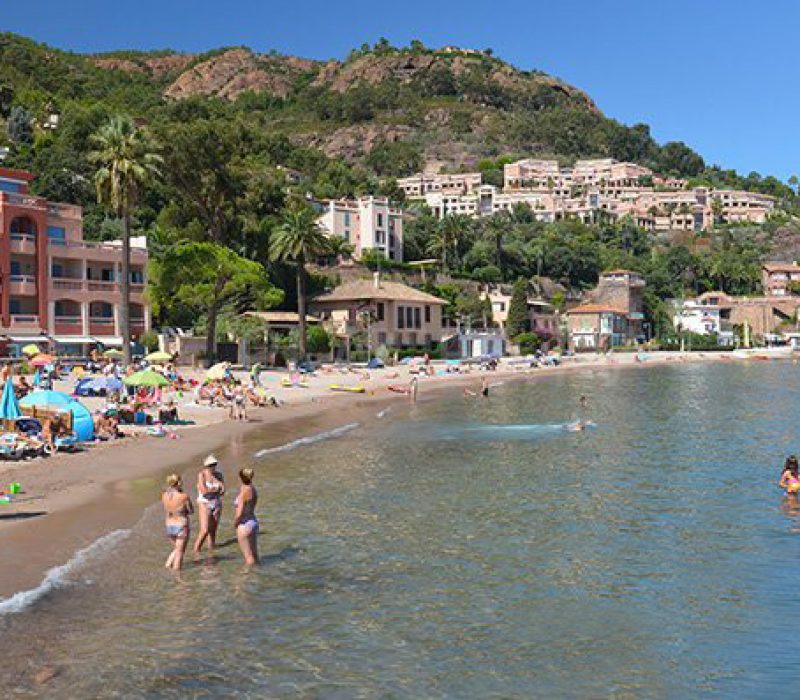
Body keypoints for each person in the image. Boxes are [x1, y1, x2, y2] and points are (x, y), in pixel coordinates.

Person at [194, 454, 225, 555]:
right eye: (211, 465)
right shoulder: (201, 475)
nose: (213, 466)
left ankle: (211, 550)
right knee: (204, 530)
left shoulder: (219, 475)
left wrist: (214, 490)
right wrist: (216, 489)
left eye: (215, 464)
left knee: (213, 530)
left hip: (216, 503)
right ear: (206, 466)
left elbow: (223, 491)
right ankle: (196, 550)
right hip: (204, 503)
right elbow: (204, 492)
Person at [162, 474, 193, 570]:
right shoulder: (184, 496)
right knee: (180, 552)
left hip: (169, 525)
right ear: (179, 483)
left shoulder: (164, 495)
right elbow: (191, 511)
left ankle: (167, 566)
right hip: (181, 524)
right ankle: (178, 578)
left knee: (176, 549)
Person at [234, 467, 259, 567]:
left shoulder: (242, 494)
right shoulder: (253, 489)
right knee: (255, 555)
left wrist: (235, 523)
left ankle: (247, 578)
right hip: (253, 521)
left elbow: (239, 513)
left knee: (248, 558)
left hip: (244, 524)